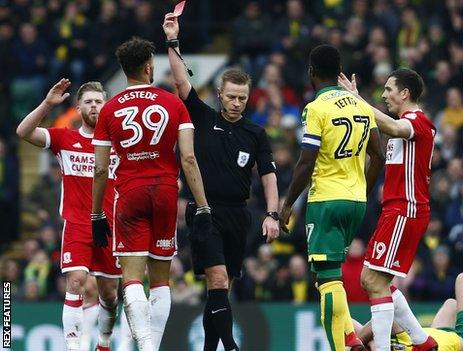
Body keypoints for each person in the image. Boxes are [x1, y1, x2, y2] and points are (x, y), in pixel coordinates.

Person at [163, 14, 280, 351]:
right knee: (216, 279)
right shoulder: (202, 117)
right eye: (231, 97)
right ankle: (231, 346)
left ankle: (209, 349)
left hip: (237, 215)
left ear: (248, 97)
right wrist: (173, 41)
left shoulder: (255, 133)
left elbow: (269, 175)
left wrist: (272, 215)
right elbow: (181, 83)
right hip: (205, 211)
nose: (236, 103)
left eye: (242, 98)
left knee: (220, 290)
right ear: (220, 93)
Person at [91, 36, 211, 351]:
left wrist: (95, 214)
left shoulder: (109, 109)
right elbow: (188, 159)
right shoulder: (173, 103)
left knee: (131, 278)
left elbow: (101, 169)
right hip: (165, 193)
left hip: (129, 193)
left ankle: (144, 345)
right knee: (160, 281)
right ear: (149, 66)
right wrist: (203, 207)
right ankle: (151, 348)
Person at [280, 44, 385, 351]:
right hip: (356, 201)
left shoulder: (315, 109)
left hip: (326, 200)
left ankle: (338, 347)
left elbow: (306, 163)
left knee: (326, 281)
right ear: (339, 71)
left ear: (311, 72)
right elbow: (378, 155)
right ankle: (351, 341)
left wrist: (286, 205)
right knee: (333, 275)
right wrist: (362, 189)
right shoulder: (361, 105)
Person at [16, 79, 120, 351]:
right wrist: (48, 104)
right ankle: (73, 346)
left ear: (106, 106)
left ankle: (104, 343)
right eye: (88, 101)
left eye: (99, 101)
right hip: (77, 225)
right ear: (79, 107)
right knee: (75, 281)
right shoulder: (65, 138)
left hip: (110, 228)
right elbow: (23, 131)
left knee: (110, 295)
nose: (94, 106)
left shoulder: (120, 143)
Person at [337, 69, 438, 351]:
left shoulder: (417, 122)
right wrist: (356, 99)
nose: (383, 95)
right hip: (394, 211)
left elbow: (393, 128)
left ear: (405, 93)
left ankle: (388, 347)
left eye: (388, 89)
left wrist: (356, 101)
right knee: (376, 282)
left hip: (405, 210)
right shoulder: (405, 124)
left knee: (372, 280)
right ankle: (421, 341)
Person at [354, 272, 463, 351]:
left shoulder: (379, 341)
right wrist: (358, 343)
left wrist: (357, 343)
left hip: (438, 335)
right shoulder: (390, 343)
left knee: (451, 305)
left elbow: (352, 328)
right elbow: (389, 321)